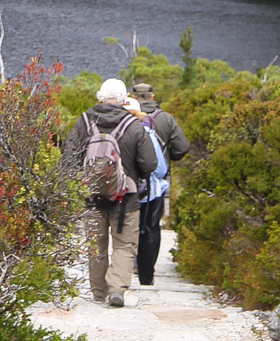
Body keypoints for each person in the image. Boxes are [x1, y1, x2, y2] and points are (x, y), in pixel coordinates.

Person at [62, 77, 160, 307]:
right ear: (124, 99)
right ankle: (117, 290)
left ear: (100, 97)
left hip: (92, 196)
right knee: (125, 245)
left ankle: (98, 292)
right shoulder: (133, 125)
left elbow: (68, 160)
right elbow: (149, 163)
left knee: (96, 246)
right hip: (126, 197)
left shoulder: (84, 122)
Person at [129, 81, 191, 286]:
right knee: (152, 226)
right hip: (157, 182)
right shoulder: (166, 119)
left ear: (133, 97)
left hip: (130, 181)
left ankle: (131, 265)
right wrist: (168, 158)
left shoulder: (127, 118)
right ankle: (148, 273)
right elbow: (182, 146)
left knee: (130, 224)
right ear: (152, 97)